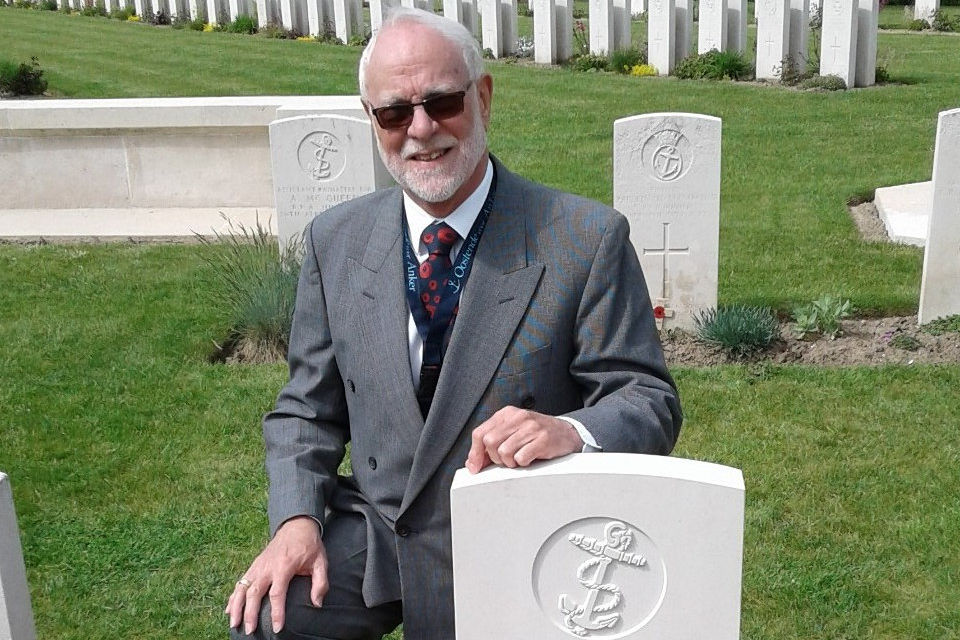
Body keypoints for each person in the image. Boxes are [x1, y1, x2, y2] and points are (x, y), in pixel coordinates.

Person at [225, 7, 682, 640]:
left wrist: (569, 429)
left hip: (523, 529)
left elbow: (648, 400)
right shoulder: (337, 241)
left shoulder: (584, 238)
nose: (420, 129)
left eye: (442, 102)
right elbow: (306, 410)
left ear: (484, 96)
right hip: (386, 526)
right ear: (372, 120)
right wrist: (296, 521)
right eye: (394, 112)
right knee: (269, 621)